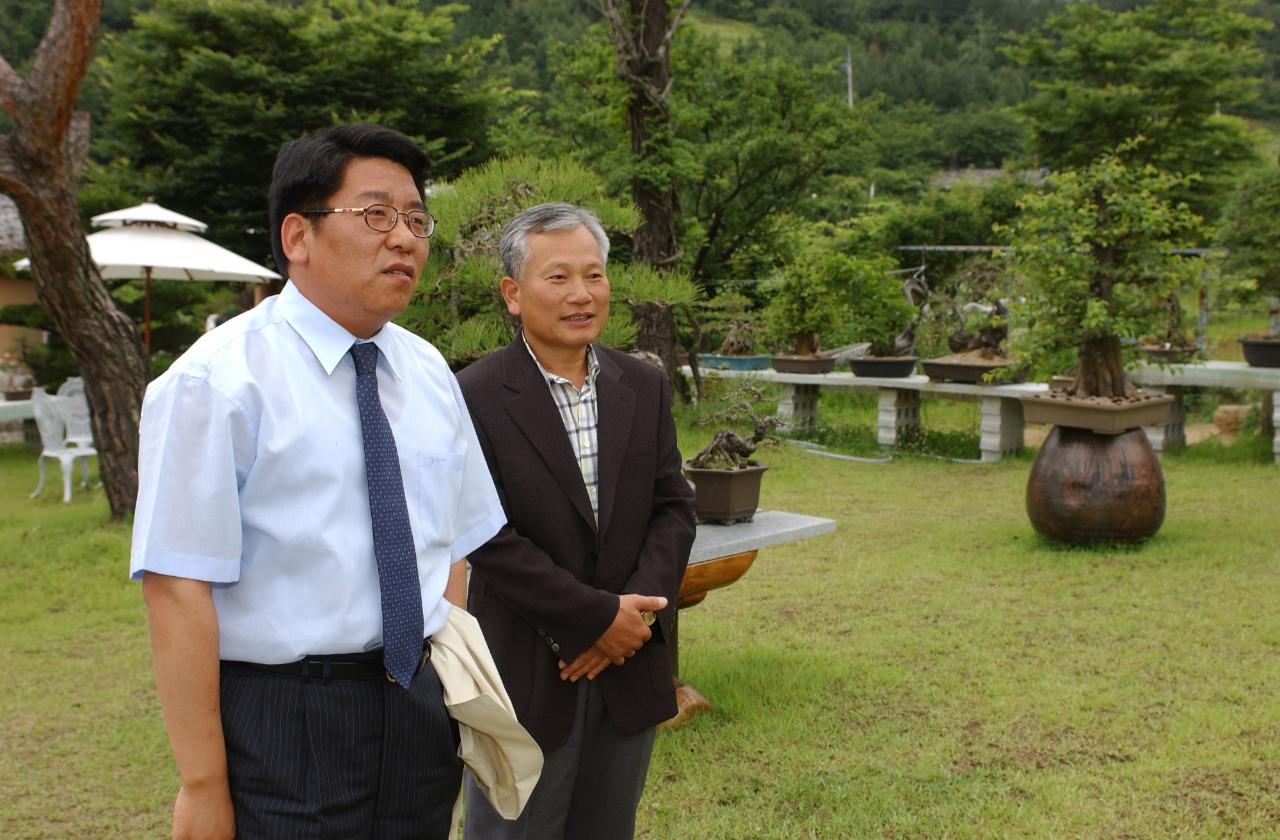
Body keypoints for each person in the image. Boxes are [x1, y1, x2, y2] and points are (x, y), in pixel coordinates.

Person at [130, 123, 506, 840]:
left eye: (417, 219)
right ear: (297, 236)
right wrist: (203, 785)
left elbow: (455, 544)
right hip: (286, 719)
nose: (404, 239)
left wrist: (441, 677)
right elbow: (177, 587)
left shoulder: (427, 371)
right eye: (375, 214)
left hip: (419, 708)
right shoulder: (217, 382)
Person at [457, 202, 696, 839]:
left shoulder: (641, 385)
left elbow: (672, 506)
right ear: (513, 293)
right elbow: (487, 536)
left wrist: (633, 616)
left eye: (593, 275)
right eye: (558, 277)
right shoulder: (473, 395)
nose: (581, 295)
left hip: (631, 662)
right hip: (527, 670)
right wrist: (595, 619)